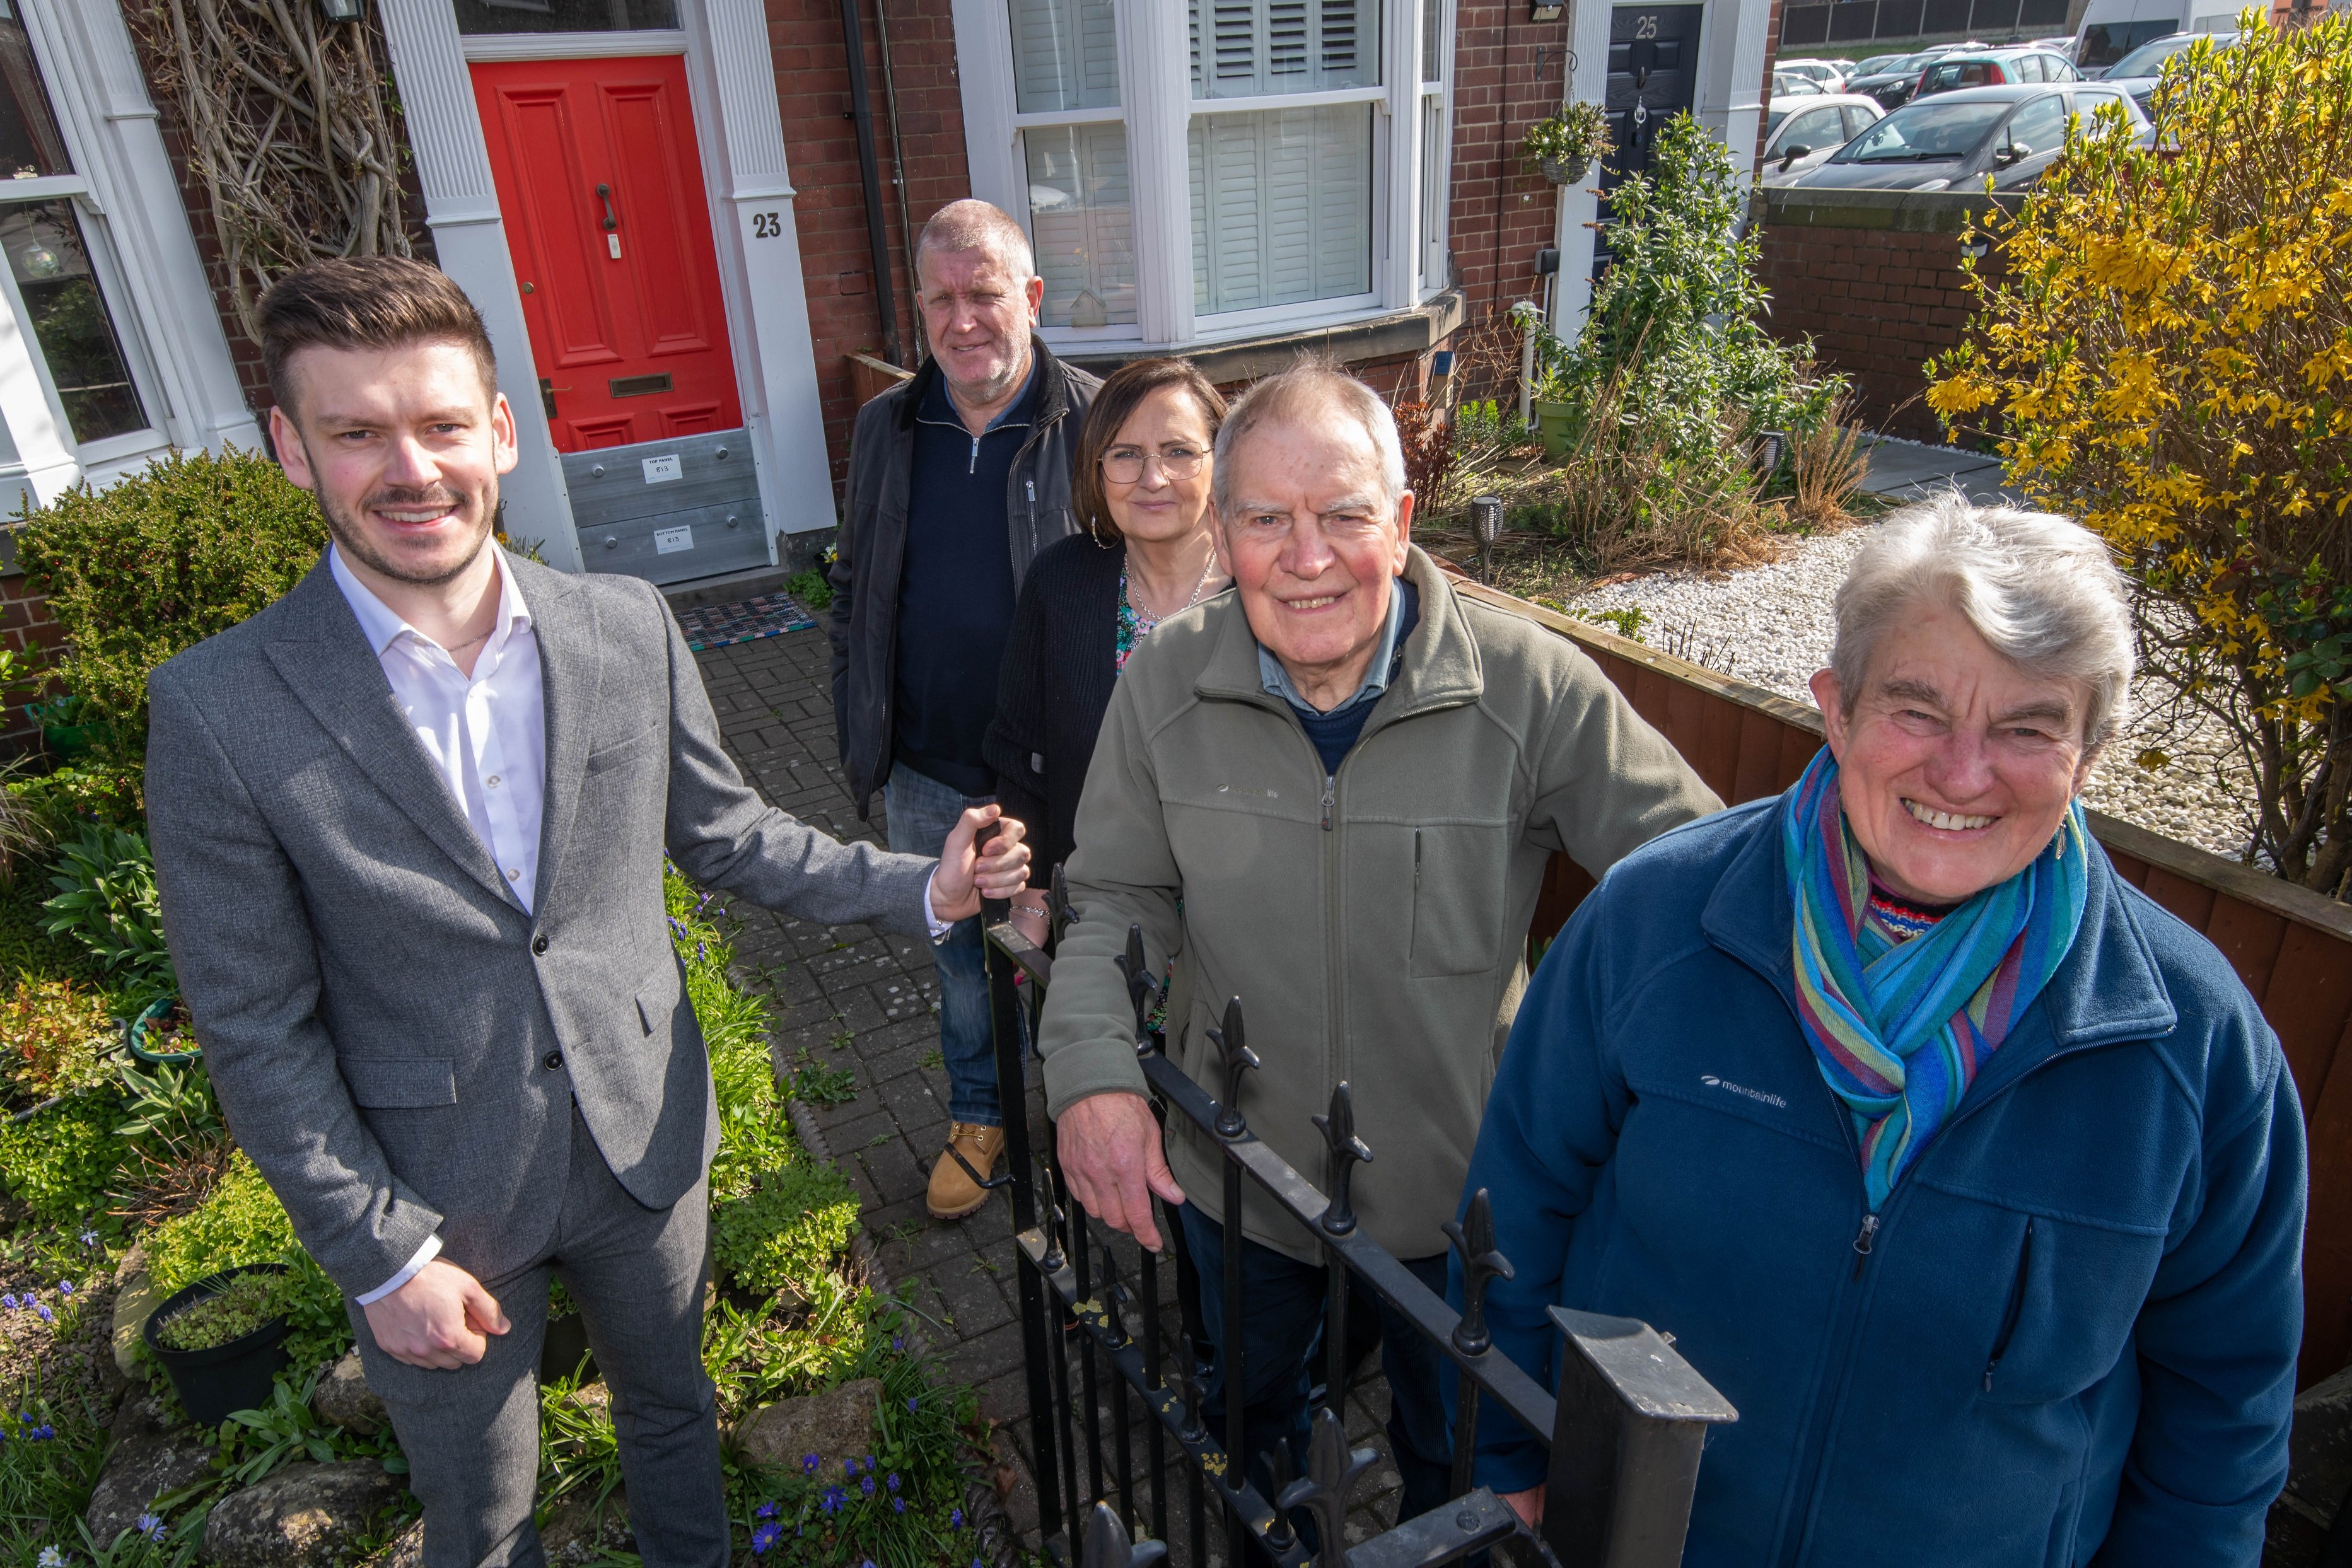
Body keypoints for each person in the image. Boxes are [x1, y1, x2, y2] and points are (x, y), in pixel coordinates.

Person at [143, 256, 1032, 1568]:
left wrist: (923, 884)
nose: (411, 467)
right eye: (354, 432)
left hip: (643, 1140)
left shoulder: (622, 625)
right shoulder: (219, 709)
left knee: (675, 1418)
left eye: (442, 424)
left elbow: (729, 835)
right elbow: (253, 1026)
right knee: (482, 1511)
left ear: (500, 429)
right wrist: (380, 1257)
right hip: (430, 1194)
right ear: (289, 448)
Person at [1455, 497, 2305, 1564]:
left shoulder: (2191, 1045)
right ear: (1837, 709)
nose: (1962, 772)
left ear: (2087, 752)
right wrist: (1509, 1470)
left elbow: (2223, 1414)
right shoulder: (1653, 924)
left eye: (2027, 726)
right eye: (1917, 708)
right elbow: (1511, 1222)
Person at [1035, 361, 1721, 1536]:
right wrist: (1094, 1069)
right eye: (1264, 518)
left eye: (1345, 513)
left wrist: (1626, 1096)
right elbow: (1112, 895)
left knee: (1453, 1466)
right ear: (1225, 531)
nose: (1308, 557)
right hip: (1235, 1184)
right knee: (1251, 1437)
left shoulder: (1527, 687)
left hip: (1459, 1215)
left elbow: (1708, 879)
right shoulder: (1162, 685)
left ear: (1400, 524)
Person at [829, 199, 1100, 1220]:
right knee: (958, 963)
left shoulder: (1089, 422)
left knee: (1068, 955)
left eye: (984, 292)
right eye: (941, 298)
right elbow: (855, 587)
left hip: (1059, 771)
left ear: (1028, 298)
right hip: (927, 768)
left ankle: (1084, 1121)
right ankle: (981, 1114)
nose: (964, 318)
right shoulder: (886, 425)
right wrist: (860, 717)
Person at [987, 357, 1229, 949]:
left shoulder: (1265, 589)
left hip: (1240, 927)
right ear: (1097, 469)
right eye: (1125, 454)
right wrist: (1033, 898)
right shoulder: (1060, 582)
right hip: (1100, 926)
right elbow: (1018, 755)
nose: (1152, 478)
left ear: (1220, 461)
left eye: (1178, 451)